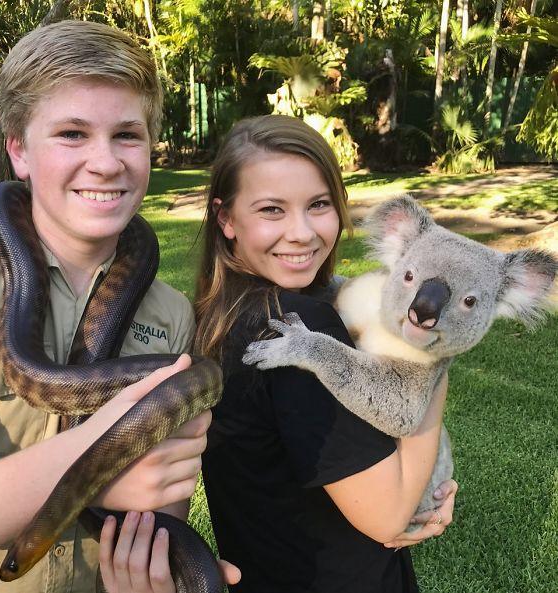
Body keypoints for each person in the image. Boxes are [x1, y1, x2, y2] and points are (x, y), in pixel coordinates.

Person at [0, 20, 237, 593]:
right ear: (19, 150)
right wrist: (93, 463)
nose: (105, 162)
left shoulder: (170, 316)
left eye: (127, 135)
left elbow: (158, 511)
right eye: (72, 133)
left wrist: (157, 570)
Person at [194, 114, 458, 593]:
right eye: (271, 210)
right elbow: (389, 515)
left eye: (318, 204)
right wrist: (434, 363)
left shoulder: (222, 315)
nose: (301, 232)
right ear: (226, 218)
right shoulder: (296, 329)